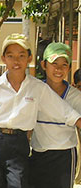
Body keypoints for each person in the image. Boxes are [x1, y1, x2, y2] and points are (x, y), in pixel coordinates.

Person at [0, 33, 81, 188]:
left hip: (19, 141)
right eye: (10, 56)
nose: (16, 61)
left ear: (30, 58)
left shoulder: (37, 87)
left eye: (21, 55)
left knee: (18, 182)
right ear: (4, 58)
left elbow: (64, 111)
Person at [29, 42, 81, 188]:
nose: (59, 69)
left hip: (64, 157)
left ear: (69, 68)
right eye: (54, 63)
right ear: (44, 65)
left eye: (64, 64)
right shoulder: (35, 91)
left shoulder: (75, 97)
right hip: (38, 153)